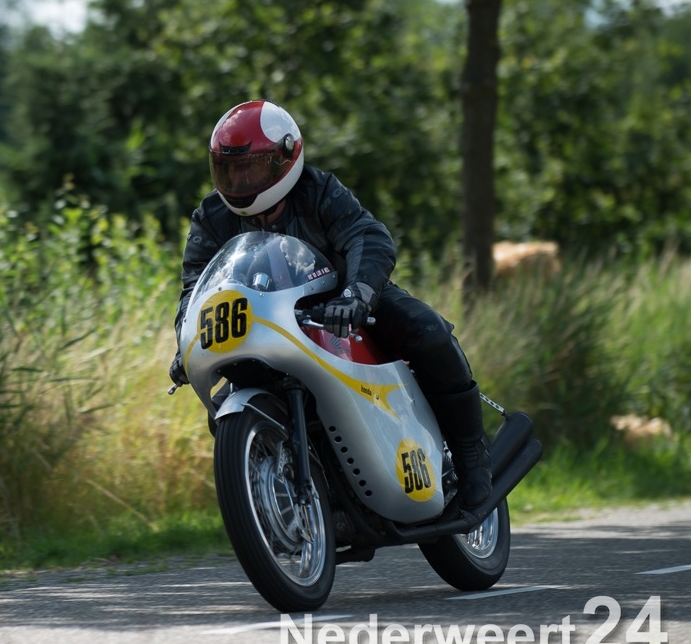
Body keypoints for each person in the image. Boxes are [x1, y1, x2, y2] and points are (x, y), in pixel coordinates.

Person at [168, 99, 492, 509]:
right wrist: (186, 340)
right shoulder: (211, 216)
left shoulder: (317, 190)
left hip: (339, 299)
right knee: (223, 402)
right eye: (230, 169)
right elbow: (196, 286)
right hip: (263, 320)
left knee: (426, 331)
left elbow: (366, 236)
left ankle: (471, 455)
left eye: (252, 167)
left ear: (286, 157)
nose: (240, 179)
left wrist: (357, 295)